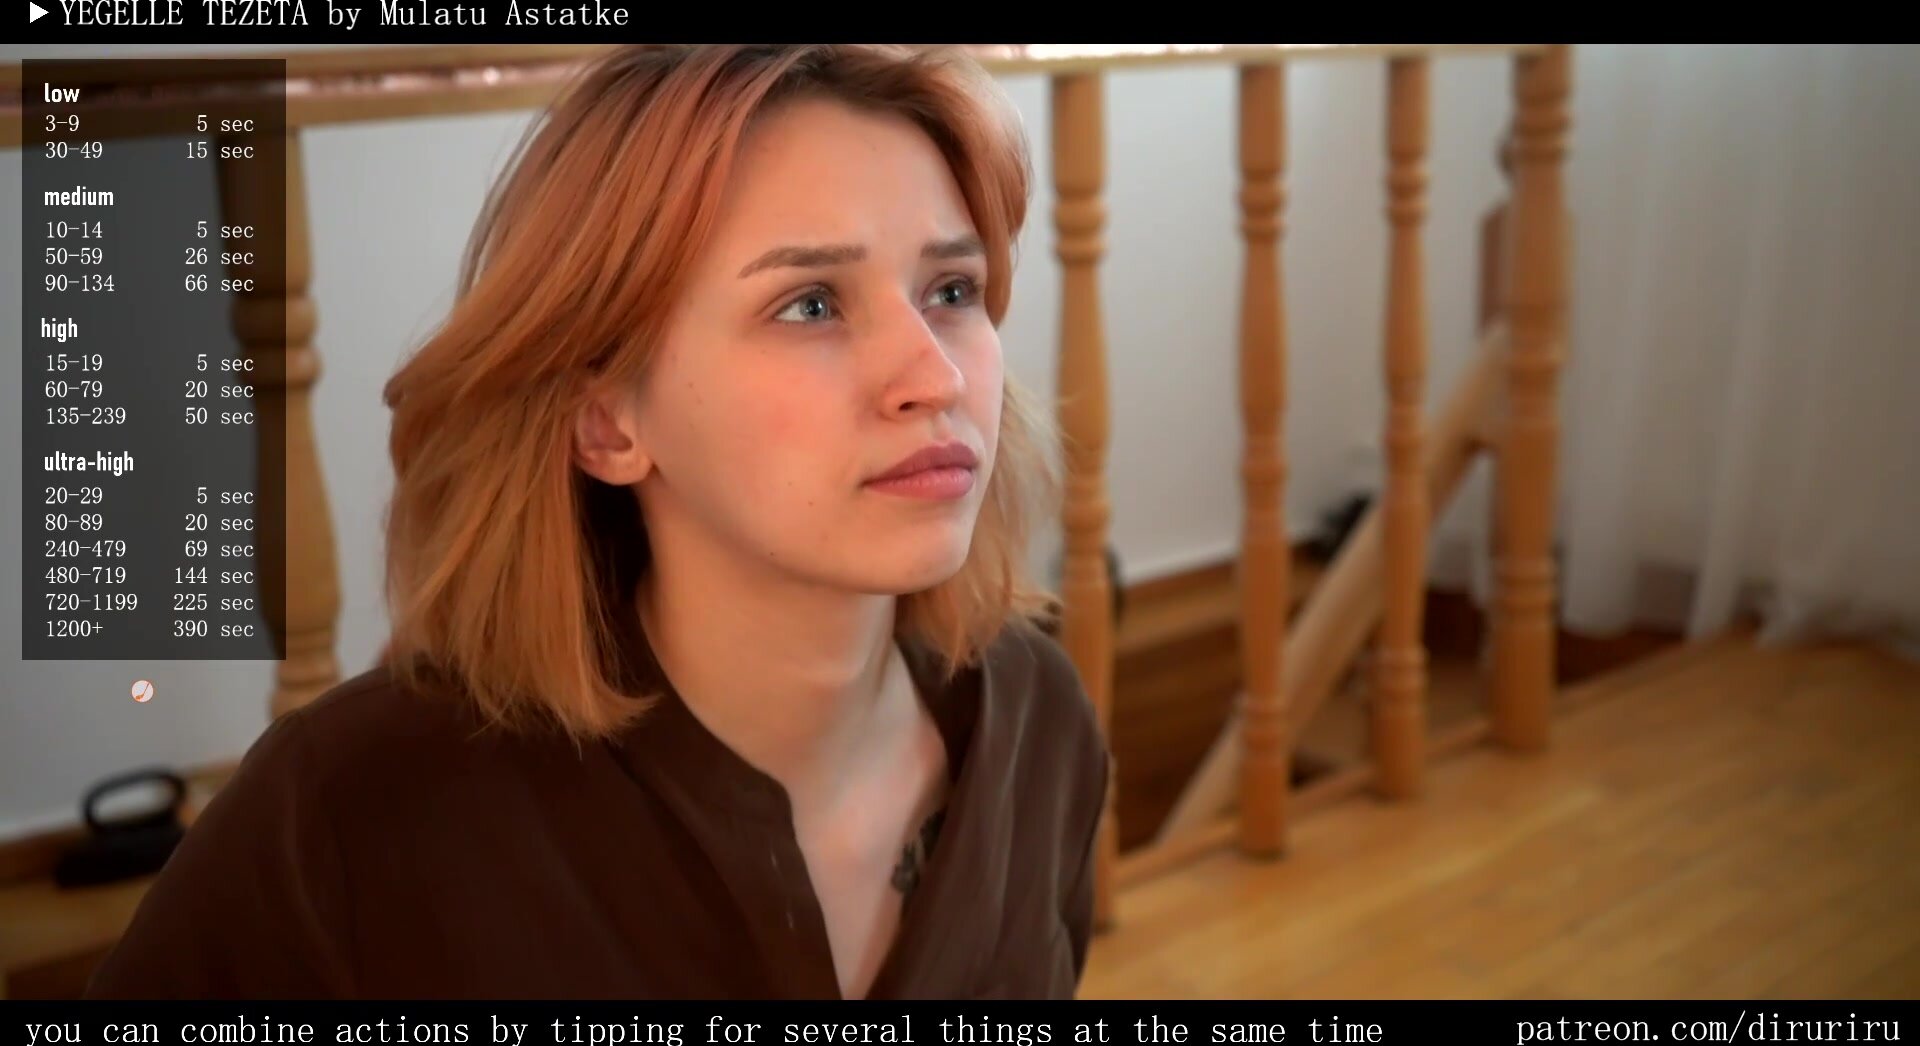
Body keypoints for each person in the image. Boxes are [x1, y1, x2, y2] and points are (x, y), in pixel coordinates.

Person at [83, 43, 1111, 1001]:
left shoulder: (1042, 722)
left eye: (951, 289)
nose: (935, 375)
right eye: (810, 304)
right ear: (606, 422)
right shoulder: (344, 817)